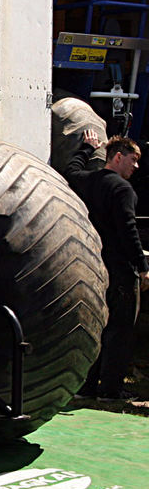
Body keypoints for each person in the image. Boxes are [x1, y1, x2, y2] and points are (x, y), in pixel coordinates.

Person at [64, 129, 149, 401]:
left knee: (97, 325)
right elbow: (128, 230)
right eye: (133, 160)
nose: (136, 166)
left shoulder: (87, 181)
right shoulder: (122, 189)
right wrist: (142, 265)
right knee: (121, 328)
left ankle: (87, 386)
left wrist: (87, 148)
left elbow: (70, 170)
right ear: (118, 157)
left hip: (94, 266)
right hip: (121, 268)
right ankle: (110, 389)